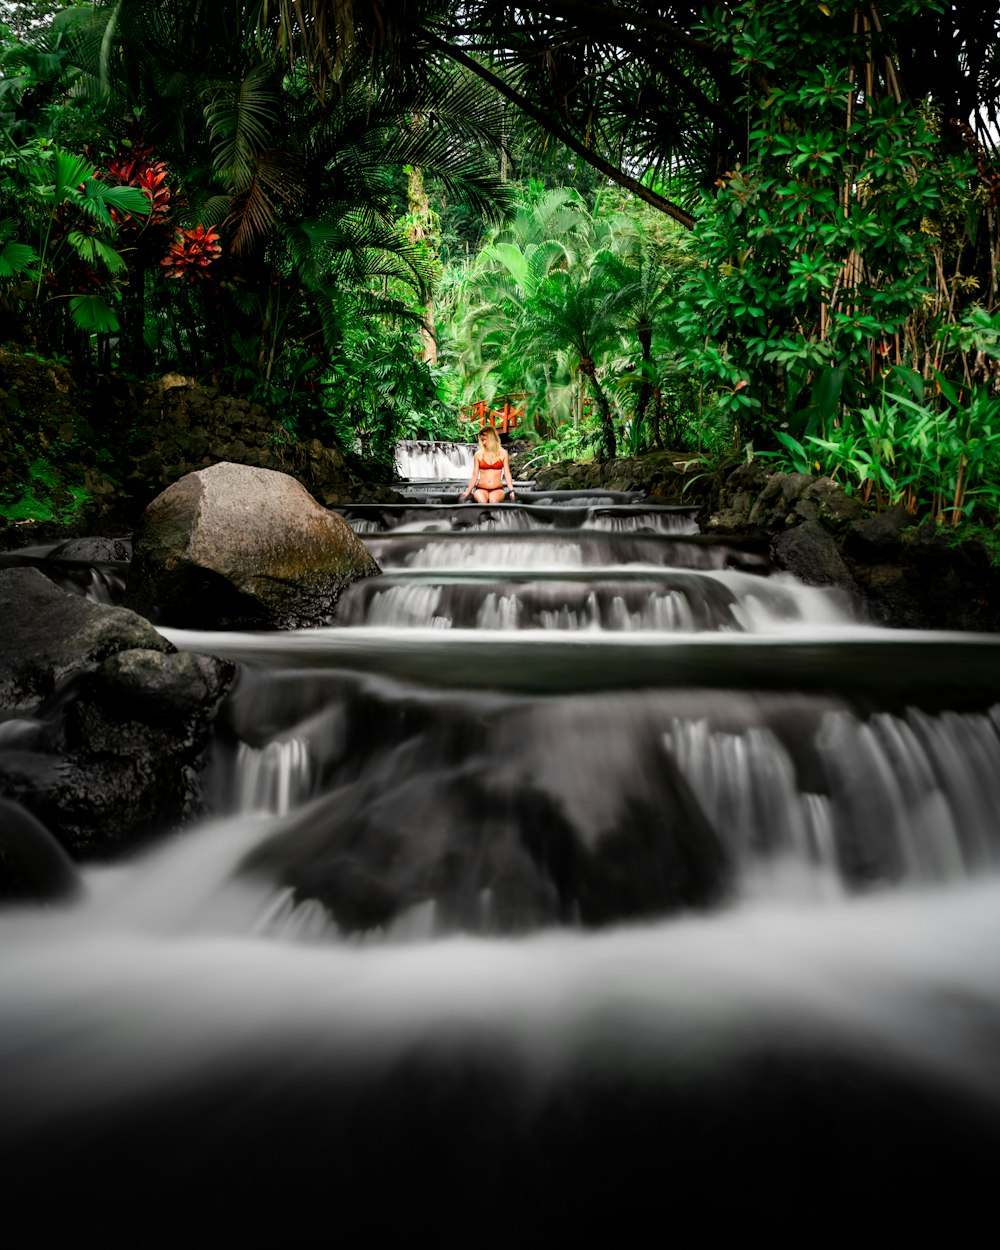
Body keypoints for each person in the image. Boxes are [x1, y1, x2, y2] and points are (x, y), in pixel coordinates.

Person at [460, 426, 516, 503]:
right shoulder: (478, 454)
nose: (483, 443)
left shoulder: (503, 453)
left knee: (493, 501)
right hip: (481, 489)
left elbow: (507, 474)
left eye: (485, 440)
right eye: (482, 440)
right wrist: (468, 491)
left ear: (492, 438)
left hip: (497, 489)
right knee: (482, 501)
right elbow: (474, 475)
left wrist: (511, 490)